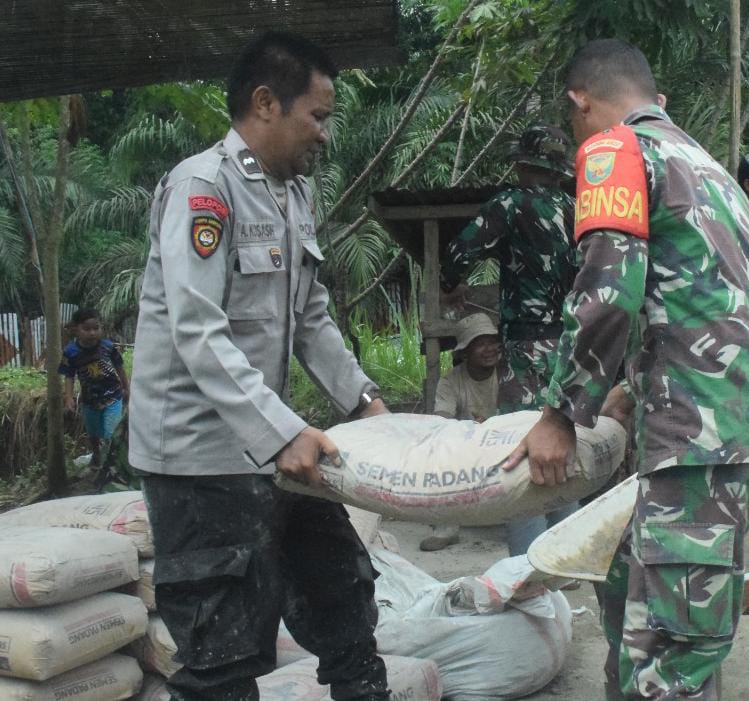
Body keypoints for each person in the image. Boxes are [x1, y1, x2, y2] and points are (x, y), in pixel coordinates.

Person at [504, 39, 749, 700]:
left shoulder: (614, 150)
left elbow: (609, 289)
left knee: (667, 662)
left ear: (580, 99)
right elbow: (702, 297)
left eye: (572, 113)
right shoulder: (707, 165)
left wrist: (560, 413)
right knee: (634, 600)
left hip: (702, 443)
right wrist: (629, 389)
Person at [127, 32, 390, 700]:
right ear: (266, 103)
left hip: (268, 446)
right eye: (319, 116)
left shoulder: (292, 196)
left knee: (344, 591)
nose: (324, 135)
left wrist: (365, 403)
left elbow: (312, 319)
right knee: (223, 649)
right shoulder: (203, 189)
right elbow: (198, 329)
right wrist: (285, 433)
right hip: (198, 460)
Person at [441, 125, 581, 557]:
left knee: (521, 447)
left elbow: (459, 253)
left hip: (525, 344)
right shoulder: (579, 207)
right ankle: (566, 555)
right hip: (571, 343)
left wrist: (451, 285)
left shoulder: (510, 203)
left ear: (524, 164)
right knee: (562, 441)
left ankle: (527, 565)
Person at [419, 313, 501, 551]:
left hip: (507, 444)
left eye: (492, 341)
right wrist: (472, 430)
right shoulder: (452, 381)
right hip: (469, 448)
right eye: (480, 343)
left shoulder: (510, 372)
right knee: (439, 451)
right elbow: (441, 422)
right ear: (465, 352)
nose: (490, 349)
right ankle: (447, 526)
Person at [59, 308, 130, 469]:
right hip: (89, 400)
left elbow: (120, 367)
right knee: (93, 432)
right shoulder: (71, 352)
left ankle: (111, 462)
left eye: (96, 328)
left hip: (113, 396)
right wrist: (68, 397)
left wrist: (127, 387)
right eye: (87, 329)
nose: (92, 333)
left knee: (110, 431)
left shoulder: (108, 347)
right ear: (76, 330)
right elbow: (69, 376)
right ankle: (97, 455)